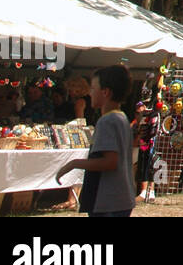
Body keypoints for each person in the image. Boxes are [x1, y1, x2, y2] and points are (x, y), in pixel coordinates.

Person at [55, 65, 136, 216]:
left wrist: (73, 164)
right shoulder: (122, 117)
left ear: (105, 92)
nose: (90, 93)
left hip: (108, 201)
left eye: (93, 88)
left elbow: (110, 162)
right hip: (120, 198)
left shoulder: (107, 121)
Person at [133, 100, 157, 203]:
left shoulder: (151, 119)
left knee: (150, 164)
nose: (140, 115)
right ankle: (144, 191)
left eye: (142, 112)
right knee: (143, 165)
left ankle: (150, 191)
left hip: (148, 145)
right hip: (139, 149)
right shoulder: (134, 124)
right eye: (138, 113)